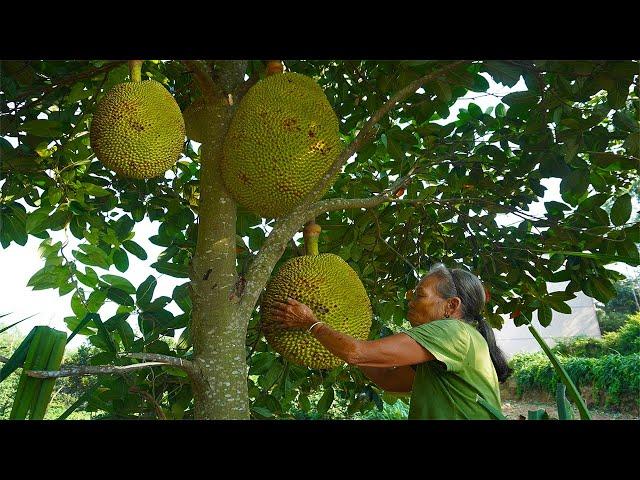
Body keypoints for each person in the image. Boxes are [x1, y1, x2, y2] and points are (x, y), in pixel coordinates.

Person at [266, 263, 512, 420]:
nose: (411, 301)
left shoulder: (452, 331)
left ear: (451, 305)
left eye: (419, 295)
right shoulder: (453, 345)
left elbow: (356, 353)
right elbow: (390, 380)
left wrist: (312, 323)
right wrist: (336, 345)